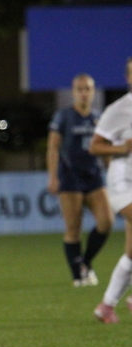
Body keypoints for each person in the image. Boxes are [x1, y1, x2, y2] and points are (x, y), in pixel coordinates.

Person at [47, 74, 113, 287]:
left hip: (93, 176)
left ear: (93, 92)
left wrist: (112, 172)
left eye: (88, 89)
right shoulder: (64, 117)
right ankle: (78, 275)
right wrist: (53, 176)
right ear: (73, 92)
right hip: (70, 177)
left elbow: (105, 150)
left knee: (106, 222)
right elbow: (53, 147)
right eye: (80, 89)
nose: (84, 93)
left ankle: (85, 261)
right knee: (73, 228)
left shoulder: (99, 118)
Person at [91, 57, 132, 324]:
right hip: (122, 183)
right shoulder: (120, 109)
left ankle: (106, 306)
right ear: (129, 78)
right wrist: (121, 148)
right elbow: (95, 146)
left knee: (131, 254)